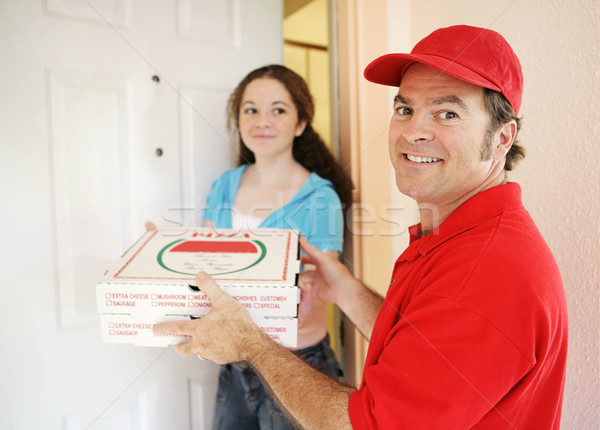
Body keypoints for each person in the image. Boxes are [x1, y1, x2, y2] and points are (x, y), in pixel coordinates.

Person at [155, 25, 568, 429]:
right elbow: (419, 347)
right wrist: (349, 292)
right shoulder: (452, 235)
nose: (414, 131)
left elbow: (366, 424)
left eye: (447, 112)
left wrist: (250, 343)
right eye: (405, 109)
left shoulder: (485, 272)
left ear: (501, 138)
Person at [200, 64, 353, 429]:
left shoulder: (320, 198)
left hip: (298, 364)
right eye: (250, 109)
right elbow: (204, 260)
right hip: (235, 360)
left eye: (278, 110)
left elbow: (311, 292)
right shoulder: (224, 185)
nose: (262, 120)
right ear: (238, 120)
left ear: (300, 124)